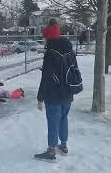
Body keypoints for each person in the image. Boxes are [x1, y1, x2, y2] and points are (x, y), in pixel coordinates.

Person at [35, 18, 76, 161]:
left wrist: (40, 98)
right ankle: (63, 146)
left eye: (45, 37)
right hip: (68, 93)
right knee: (63, 119)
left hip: (54, 95)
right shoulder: (69, 49)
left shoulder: (50, 53)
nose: (44, 41)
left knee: (53, 122)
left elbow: (46, 78)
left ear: (49, 37)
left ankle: (51, 151)